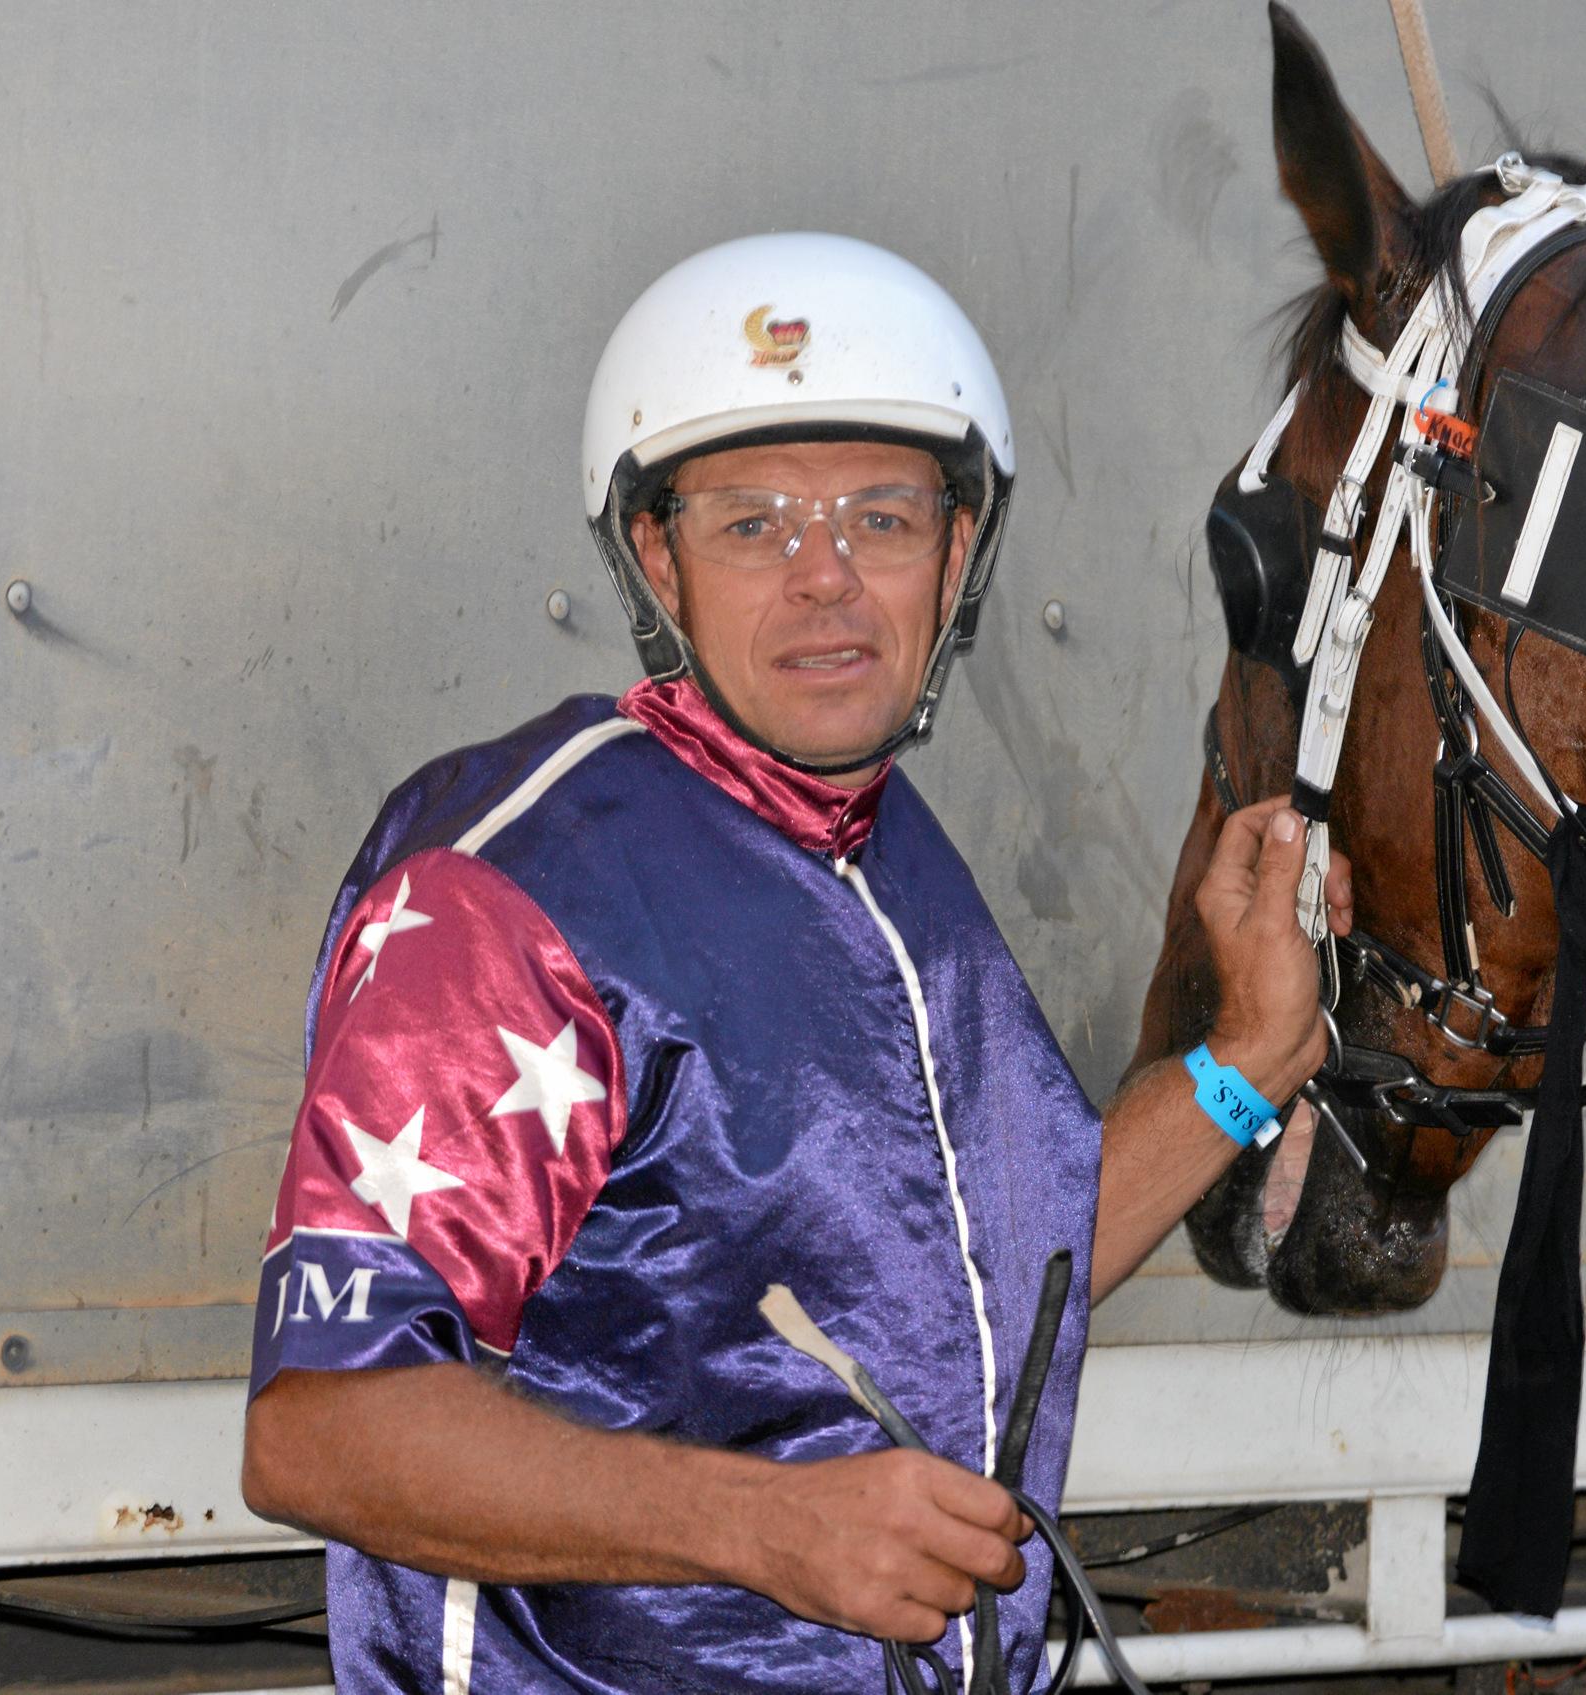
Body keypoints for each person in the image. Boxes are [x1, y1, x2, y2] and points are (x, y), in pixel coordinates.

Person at [239, 232, 1348, 1694]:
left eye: (880, 520)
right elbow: (317, 1428)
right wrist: (762, 1526)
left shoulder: (887, 855)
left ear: (956, 558)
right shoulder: (510, 885)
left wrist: (1248, 1058)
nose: (825, 581)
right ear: (658, 556)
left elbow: (981, 1277)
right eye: (753, 523)